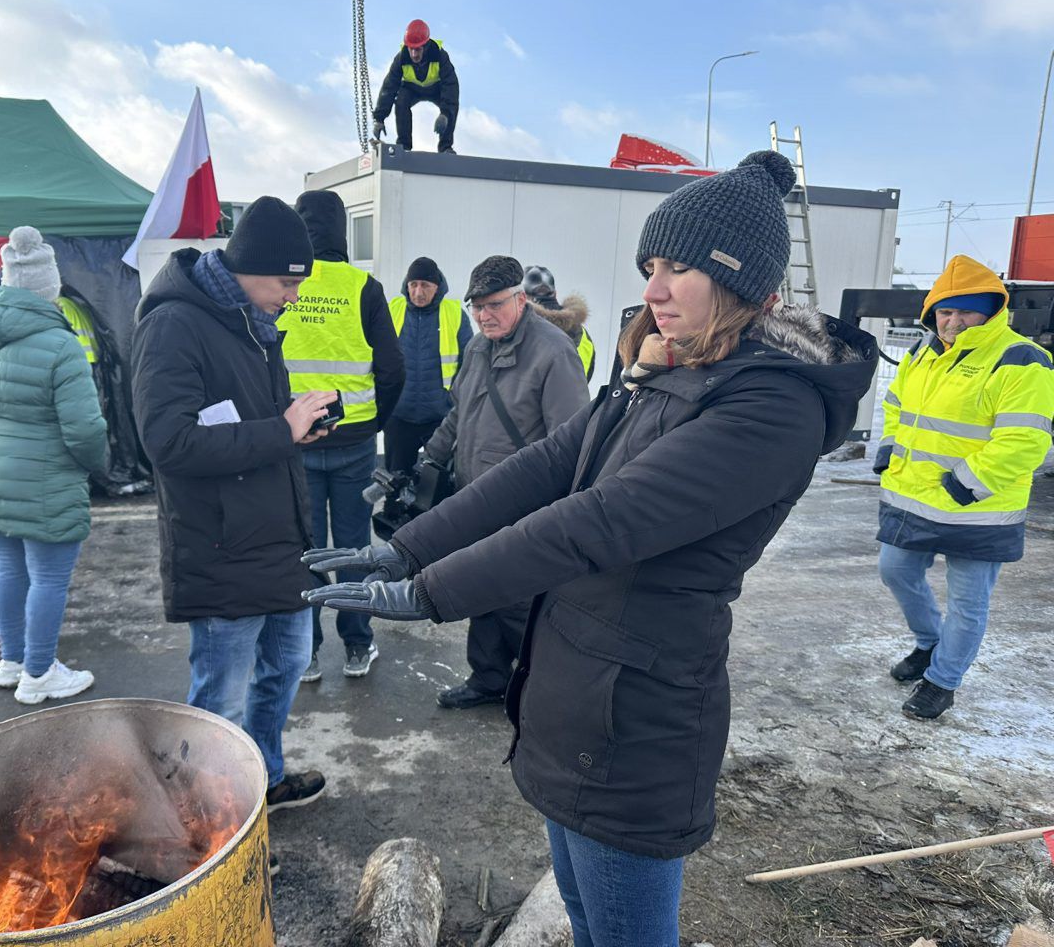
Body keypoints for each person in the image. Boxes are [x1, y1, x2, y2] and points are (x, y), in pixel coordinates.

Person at [304, 152, 877, 946]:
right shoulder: (668, 370)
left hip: (634, 721)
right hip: (574, 687)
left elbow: (599, 519)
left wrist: (434, 592)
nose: (652, 289)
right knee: (581, 918)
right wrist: (408, 548)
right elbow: (549, 465)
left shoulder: (772, 407)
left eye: (678, 268)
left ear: (743, 284)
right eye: (650, 265)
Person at [130, 196, 329, 846]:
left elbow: (253, 424)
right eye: (287, 282)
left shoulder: (252, 320)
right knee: (221, 697)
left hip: (277, 540)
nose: (294, 296)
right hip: (221, 546)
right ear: (248, 267)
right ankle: (209, 833)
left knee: (286, 665)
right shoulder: (175, 325)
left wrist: (298, 426)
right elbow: (169, 444)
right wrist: (281, 430)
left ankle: (262, 779)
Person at [397, 254, 591, 709]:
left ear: (521, 299)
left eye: (494, 305)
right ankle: (487, 679)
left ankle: (536, 692)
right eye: (476, 307)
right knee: (478, 587)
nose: (484, 315)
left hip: (526, 504)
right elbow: (458, 414)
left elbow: (574, 440)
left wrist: (562, 509)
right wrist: (430, 459)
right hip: (475, 497)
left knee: (521, 604)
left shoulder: (553, 353)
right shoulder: (479, 347)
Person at [875, 254, 1054, 720]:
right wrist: (889, 447)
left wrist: (965, 484)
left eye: (965, 311)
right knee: (895, 570)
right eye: (944, 311)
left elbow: (1025, 440)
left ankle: (942, 680)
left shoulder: (1022, 359)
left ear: (992, 311)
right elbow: (896, 407)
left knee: (968, 602)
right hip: (913, 498)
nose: (952, 322)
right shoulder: (923, 353)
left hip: (979, 508)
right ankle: (929, 643)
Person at [0, 226, 109, 705]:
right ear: (49, 288)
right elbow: (84, 429)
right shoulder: (61, 346)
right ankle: (40, 674)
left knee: (9, 569)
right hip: (47, 482)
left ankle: (12, 661)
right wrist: (95, 465)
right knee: (49, 578)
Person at [280, 190, 404, 682]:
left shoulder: (286, 282)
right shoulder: (363, 287)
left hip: (295, 439)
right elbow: (393, 369)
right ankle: (357, 646)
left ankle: (306, 654)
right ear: (342, 231)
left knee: (305, 549)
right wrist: (372, 422)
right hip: (352, 440)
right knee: (353, 551)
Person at [384, 256, 472, 474]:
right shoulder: (392, 310)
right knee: (395, 483)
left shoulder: (455, 314)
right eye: (413, 285)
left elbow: (470, 365)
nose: (418, 292)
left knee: (437, 484)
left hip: (440, 419)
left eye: (425, 285)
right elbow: (377, 357)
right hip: (399, 418)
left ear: (437, 286)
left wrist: (452, 402)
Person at [373, 18, 460, 154]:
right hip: (412, 89)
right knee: (401, 100)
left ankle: (445, 147)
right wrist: (379, 119)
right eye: (411, 49)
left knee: (451, 107)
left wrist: (445, 114)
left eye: (417, 50)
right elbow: (389, 87)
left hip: (436, 89)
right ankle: (404, 145)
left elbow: (451, 87)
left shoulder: (440, 56)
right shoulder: (401, 59)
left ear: (425, 46)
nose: (414, 54)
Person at [523, 265, 597, 382]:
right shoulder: (583, 336)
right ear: (555, 293)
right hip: (576, 398)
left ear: (524, 297)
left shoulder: (522, 330)